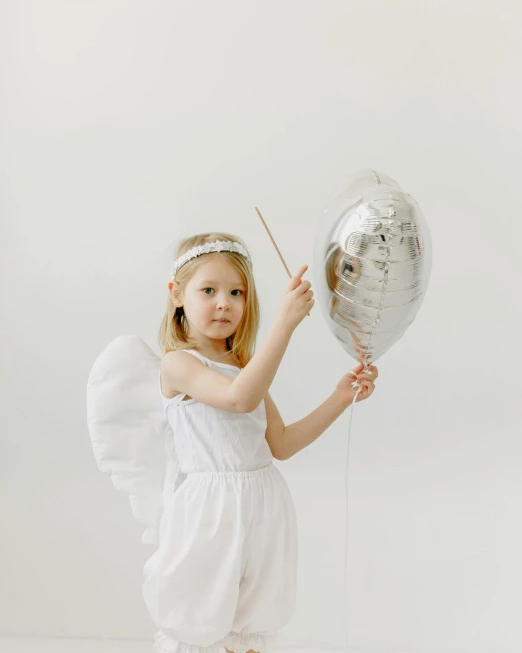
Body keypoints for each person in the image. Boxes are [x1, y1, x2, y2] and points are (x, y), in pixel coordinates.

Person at [87, 232, 378, 653]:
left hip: (263, 507)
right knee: (203, 614)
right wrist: (285, 324)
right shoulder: (179, 364)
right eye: (209, 290)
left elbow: (281, 443)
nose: (224, 302)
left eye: (236, 292)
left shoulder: (243, 367)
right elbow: (238, 399)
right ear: (177, 295)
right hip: (212, 514)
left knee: (250, 626)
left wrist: (340, 397)